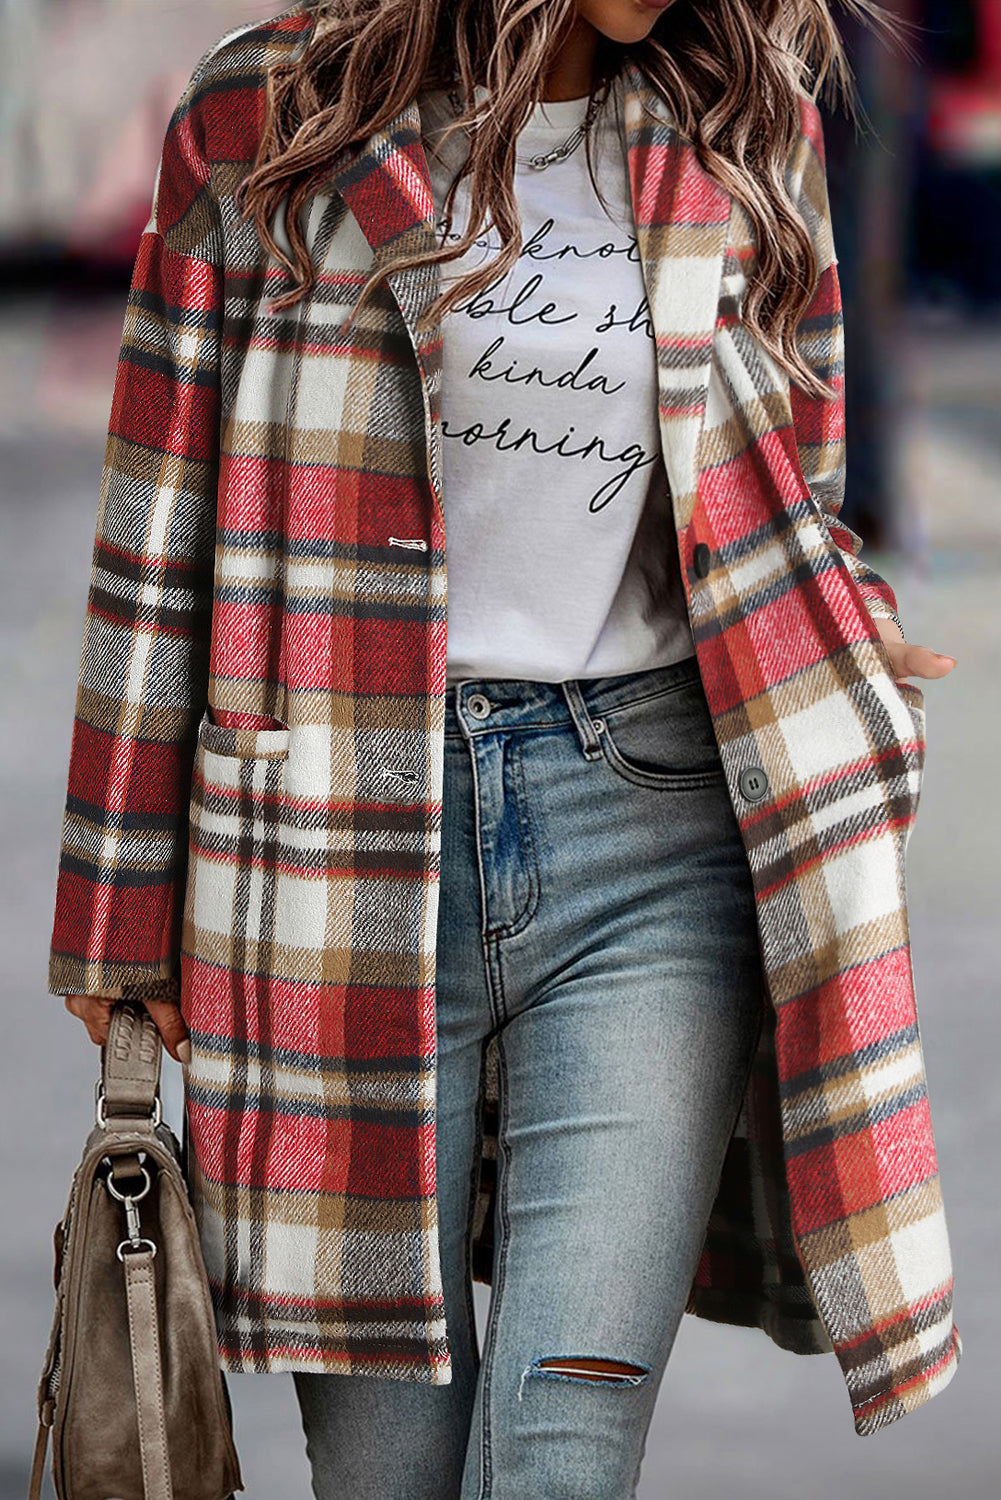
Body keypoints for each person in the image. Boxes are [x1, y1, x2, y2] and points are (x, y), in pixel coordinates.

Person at [50, 2, 962, 1495]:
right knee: (389, 1477)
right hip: (330, 852)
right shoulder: (264, 114)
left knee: (563, 1452)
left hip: (652, 835)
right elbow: (157, 534)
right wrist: (116, 913)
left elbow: (793, 475)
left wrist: (840, 625)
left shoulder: (743, 120)